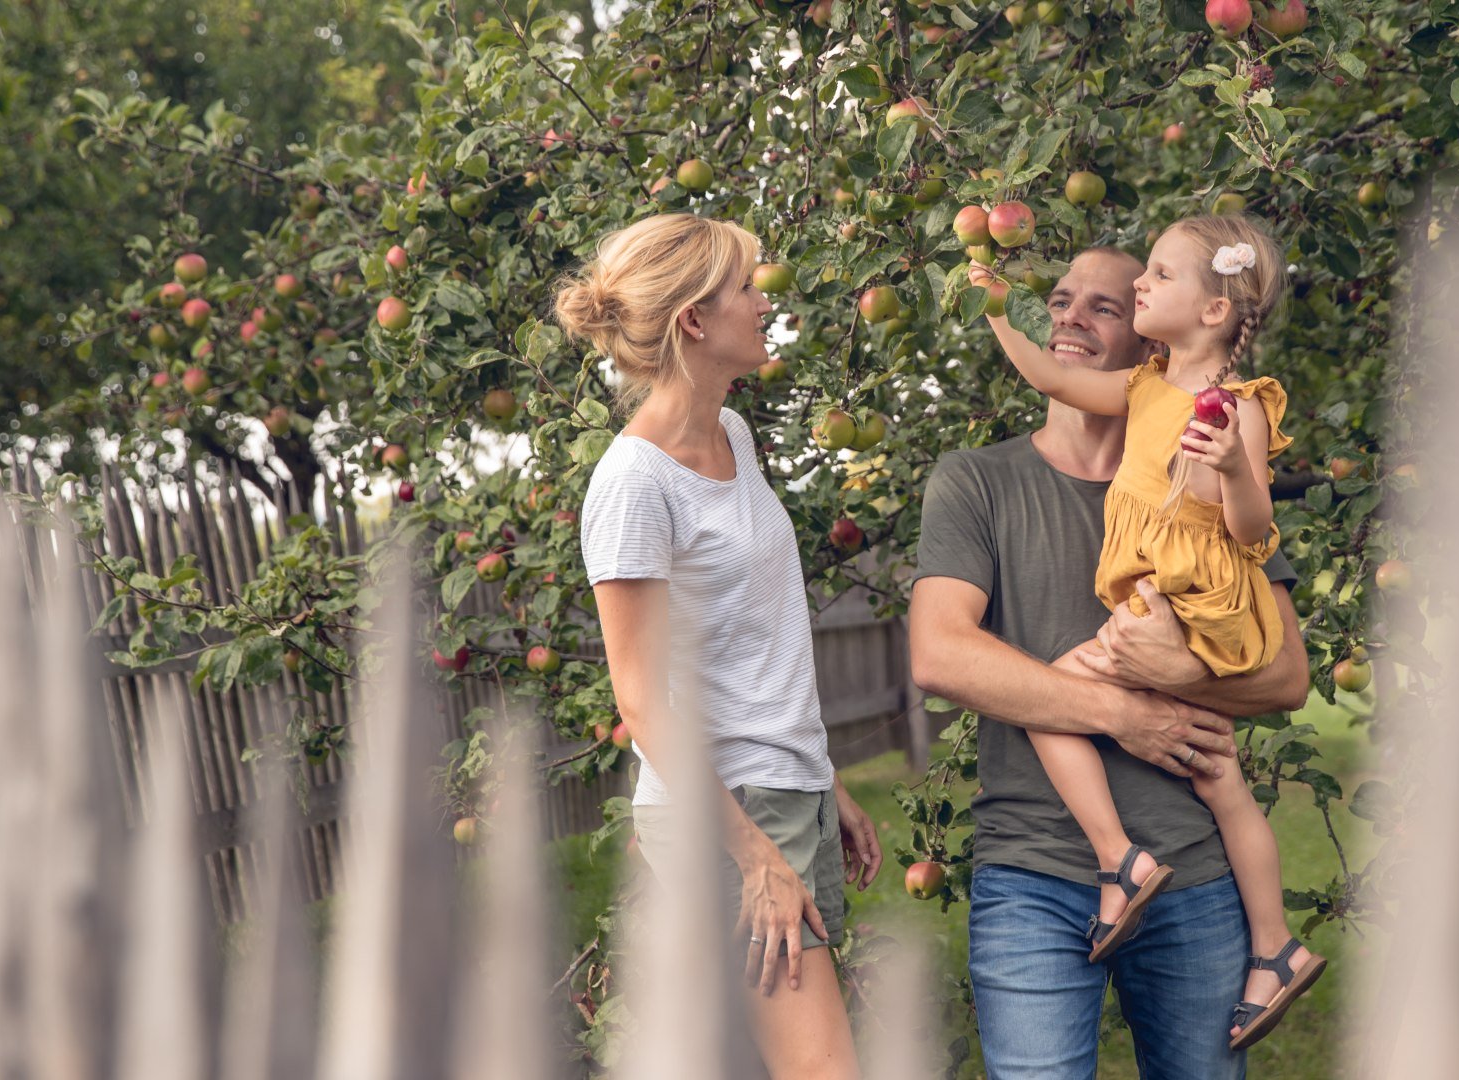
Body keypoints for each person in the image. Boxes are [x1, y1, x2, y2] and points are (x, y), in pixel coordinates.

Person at [909, 243, 1310, 1078]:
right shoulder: (977, 482)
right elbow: (940, 655)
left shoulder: (1202, 466)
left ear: (1149, 339)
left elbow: (1287, 676)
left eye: (1105, 304)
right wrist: (1131, 713)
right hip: (1030, 871)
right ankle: (1126, 862)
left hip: (1195, 874)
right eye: (1058, 301)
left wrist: (1179, 674)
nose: (1069, 318)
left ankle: (1250, 931)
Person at [558, 213, 882, 1080]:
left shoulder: (733, 438)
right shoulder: (633, 482)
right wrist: (753, 854)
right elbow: (639, 700)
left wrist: (824, 778)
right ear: (694, 319)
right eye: (746, 285)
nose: (763, 299)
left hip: (784, 786)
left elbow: (748, 637)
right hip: (730, 813)